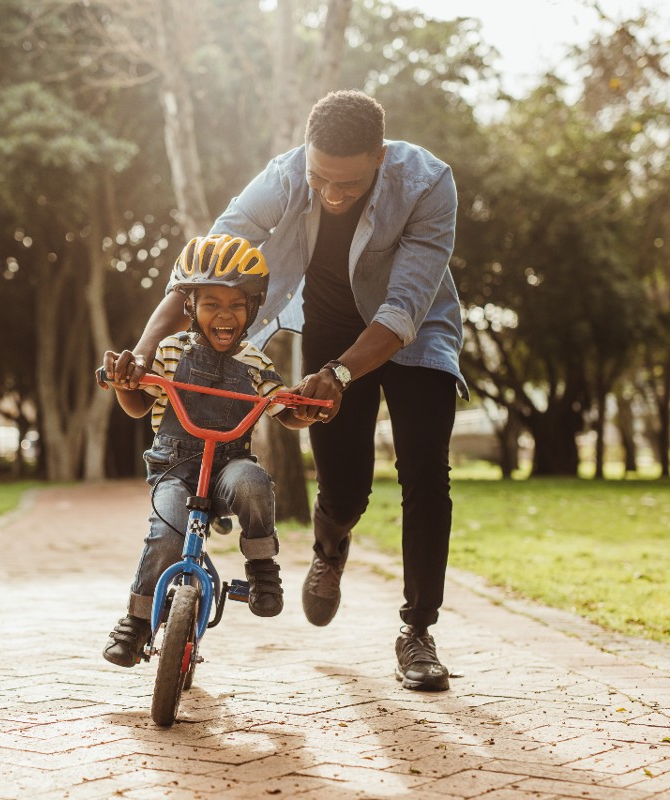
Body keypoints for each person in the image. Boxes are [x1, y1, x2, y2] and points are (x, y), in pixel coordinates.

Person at [115, 89, 467, 691]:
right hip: (331, 327)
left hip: (415, 332)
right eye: (320, 178)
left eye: (348, 186)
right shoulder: (283, 176)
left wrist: (340, 376)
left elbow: (404, 307)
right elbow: (207, 263)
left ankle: (418, 631)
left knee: (426, 474)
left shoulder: (429, 183)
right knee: (347, 487)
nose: (331, 194)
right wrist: (145, 347)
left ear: (379, 156)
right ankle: (331, 544)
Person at [98, 234, 318, 668]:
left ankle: (260, 567)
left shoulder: (255, 363)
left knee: (254, 484)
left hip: (228, 466)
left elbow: (283, 410)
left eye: (237, 305)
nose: (224, 314)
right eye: (211, 303)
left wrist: (306, 409)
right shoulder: (167, 351)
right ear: (190, 307)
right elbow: (140, 404)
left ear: (252, 309)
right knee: (167, 533)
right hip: (175, 468)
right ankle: (137, 620)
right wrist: (125, 384)